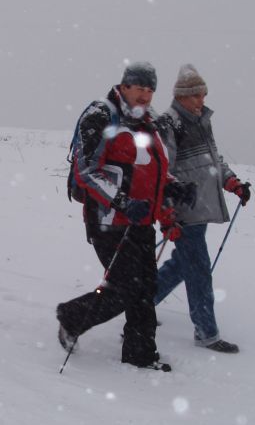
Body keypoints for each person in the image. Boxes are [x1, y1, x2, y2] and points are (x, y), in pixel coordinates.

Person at [56, 62, 182, 370]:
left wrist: (175, 190)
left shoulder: (148, 123)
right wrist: (122, 202)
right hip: (108, 221)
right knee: (126, 288)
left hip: (141, 222)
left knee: (145, 289)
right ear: (124, 86)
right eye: (139, 88)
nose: (145, 95)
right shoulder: (101, 115)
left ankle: (140, 354)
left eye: (150, 89)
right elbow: (87, 170)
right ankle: (73, 317)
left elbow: (151, 174)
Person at [154, 64, 250, 353]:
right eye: (196, 95)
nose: (201, 100)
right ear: (182, 96)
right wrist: (168, 211)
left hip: (202, 206)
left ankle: (143, 303)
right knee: (198, 269)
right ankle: (206, 332)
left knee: (184, 264)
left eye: (203, 94)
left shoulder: (201, 120)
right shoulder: (169, 123)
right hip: (185, 209)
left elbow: (212, 159)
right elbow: (162, 172)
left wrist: (232, 182)